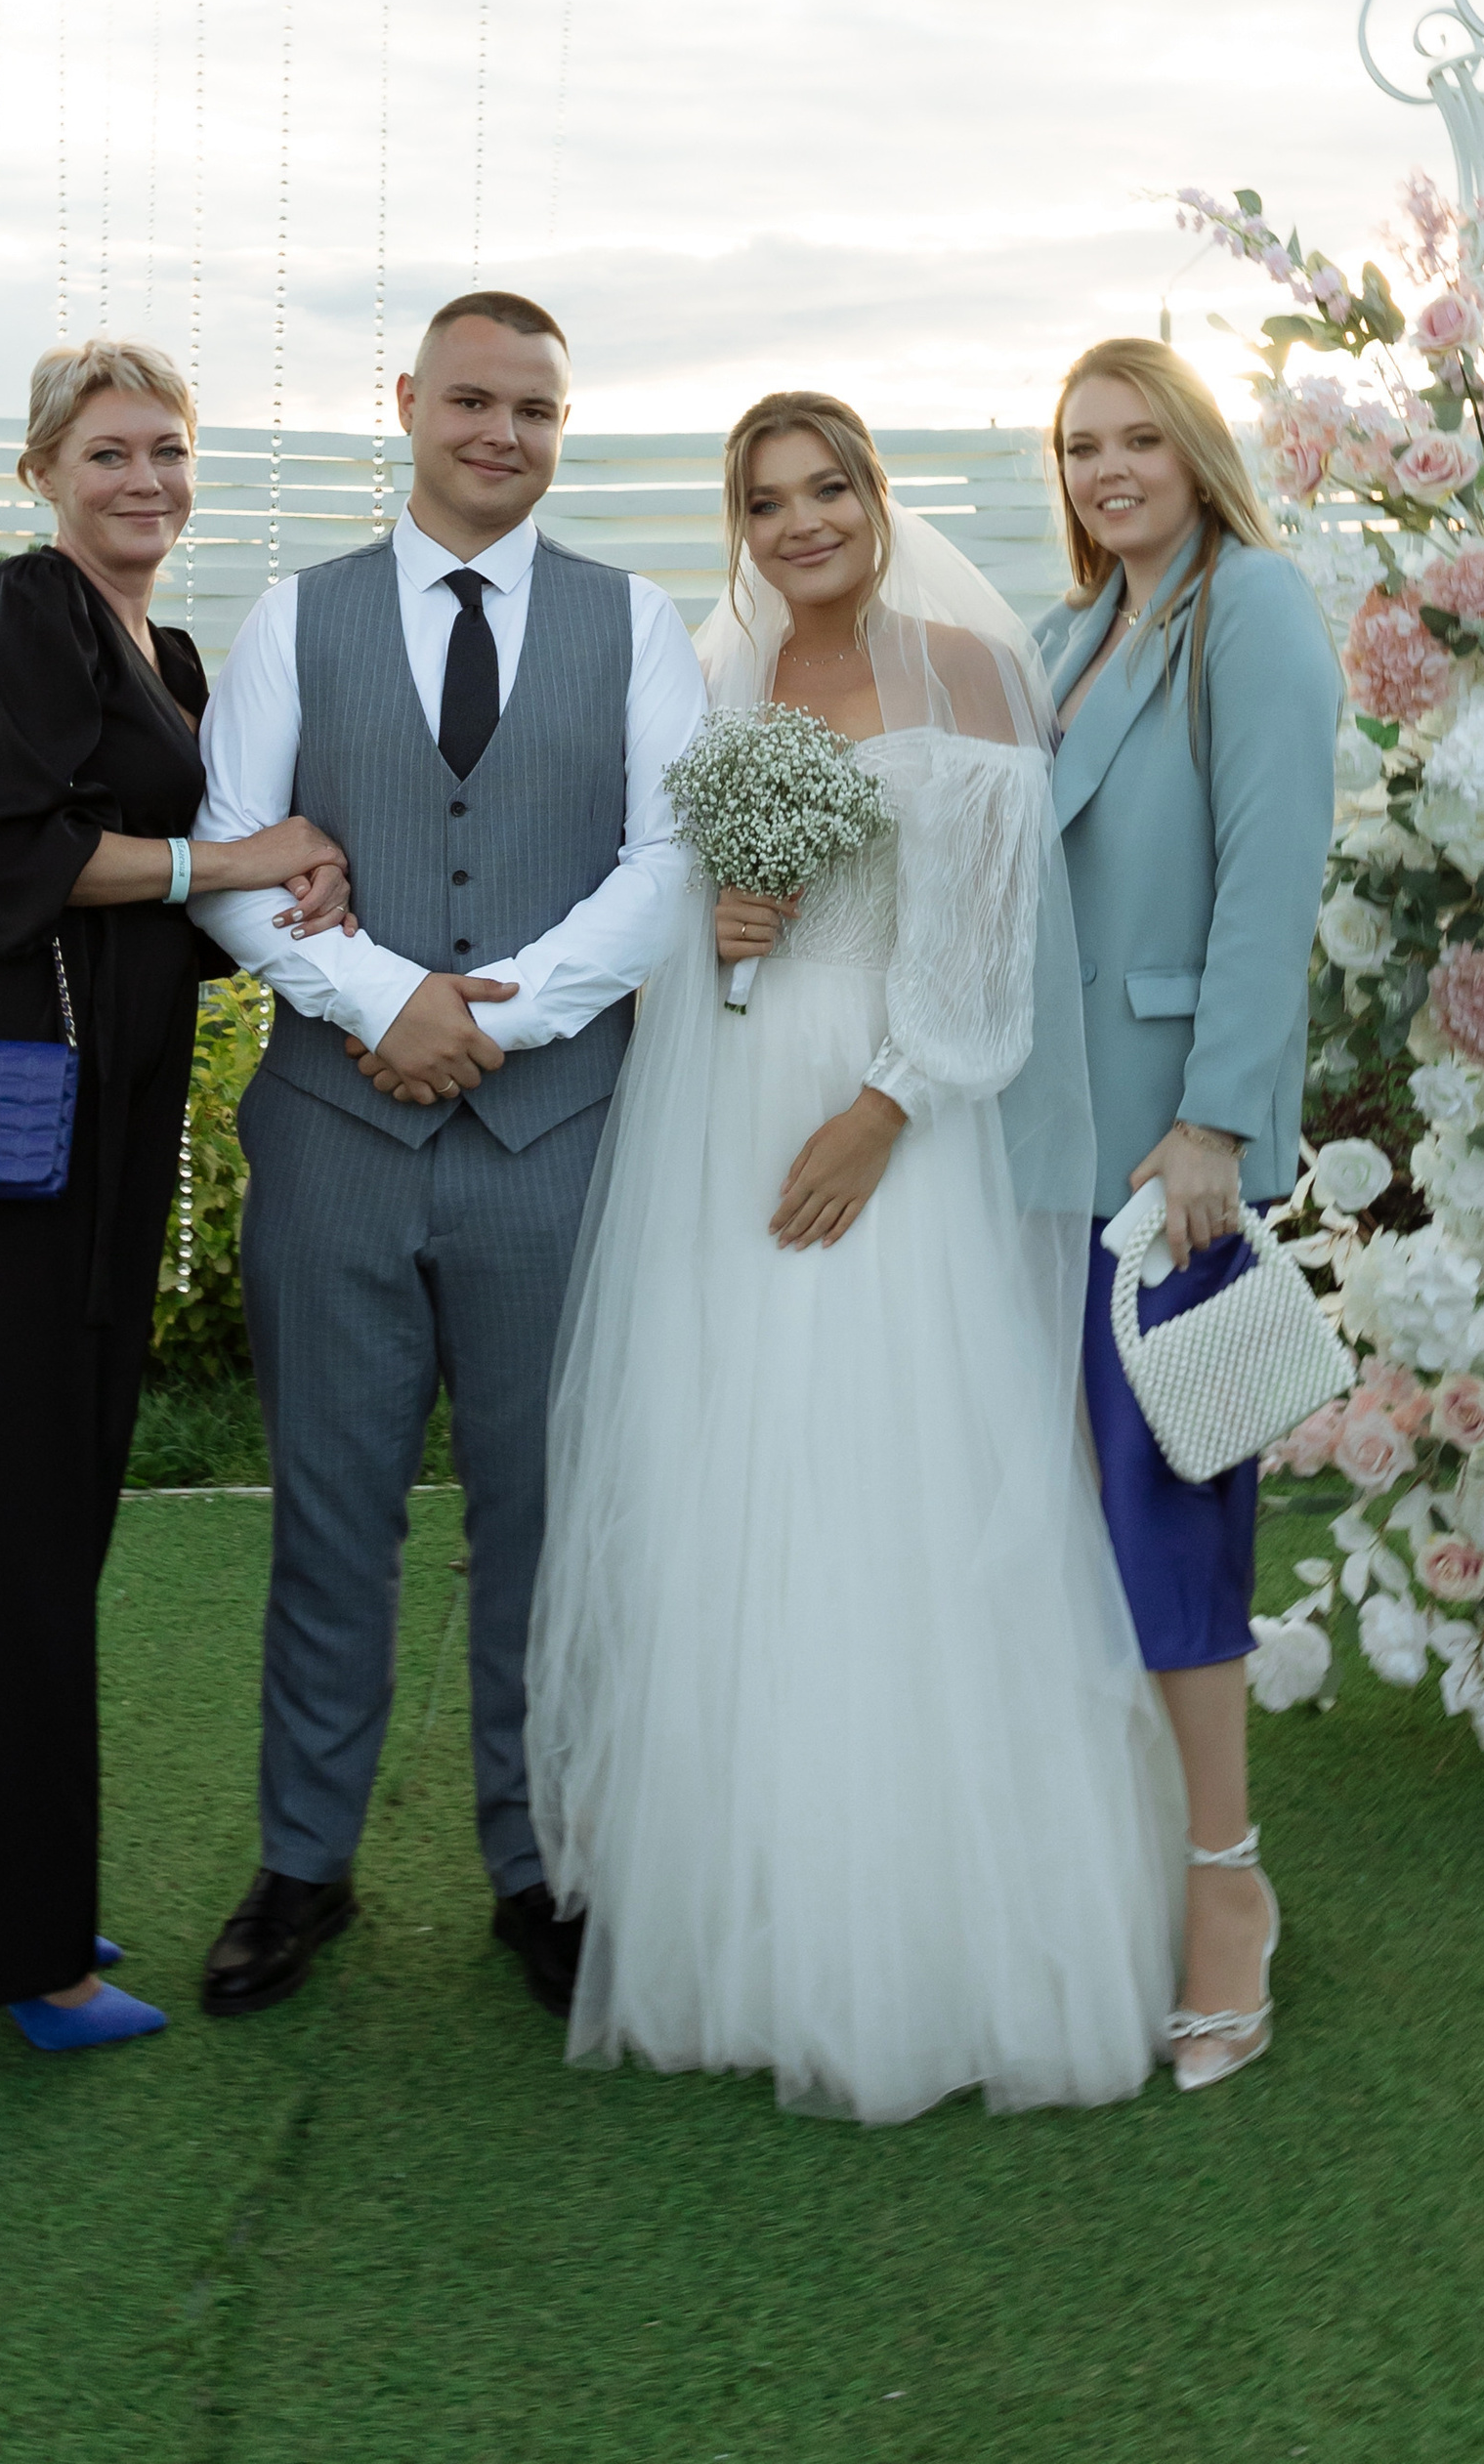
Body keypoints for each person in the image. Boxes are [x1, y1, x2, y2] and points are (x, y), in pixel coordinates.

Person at [527, 394, 1183, 2124]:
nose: (801, 523)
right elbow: (685, 921)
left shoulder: (970, 674)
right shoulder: (720, 678)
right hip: (735, 1105)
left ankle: (944, 1934)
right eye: (766, 502)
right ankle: (747, 1923)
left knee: (901, 1483)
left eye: (829, 489)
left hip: (902, 1122)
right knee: (743, 1486)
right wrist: (721, 930)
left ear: (880, 497)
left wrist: (887, 1108)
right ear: (739, 526)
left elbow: (990, 947)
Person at [189, 291, 706, 2022]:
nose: (502, 434)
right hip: (337, 1138)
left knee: (547, 1525)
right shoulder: (292, 615)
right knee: (328, 1514)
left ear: (565, 429)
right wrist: (385, 1002)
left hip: (552, 1139)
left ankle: (542, 1868)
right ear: (407, 401)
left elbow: (664, 864)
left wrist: (503, 1015)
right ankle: (303, 1864)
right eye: (473, 400)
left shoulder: (638, 627)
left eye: (536, 412)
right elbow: (238, 855)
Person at [0, 339, 351, 2055]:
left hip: (94, 1133)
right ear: (42, 470)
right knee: (4, 1520)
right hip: (7, 1121)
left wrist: (311, 884)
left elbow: (185, 890)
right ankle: (32, 1957)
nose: (145, 481)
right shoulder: (29, 610)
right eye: (109, 453)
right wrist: (250, 854)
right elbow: (20, 855)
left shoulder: (170, 649)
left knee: (40, 1511)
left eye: (170, 451)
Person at [1036, 337, 1340, 2092]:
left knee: (1171, 1520)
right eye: (1082, 445)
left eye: (1141, 438)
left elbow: (1269, 872)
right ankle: (1133, 1854)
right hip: (1047, 1148)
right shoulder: (1070, 639)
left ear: (1198, 451)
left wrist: (1215, 1118)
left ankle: (1229, 1891)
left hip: (1171, 1156)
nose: (1109, 469)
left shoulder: (1256, 611)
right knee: (1081, 1519)